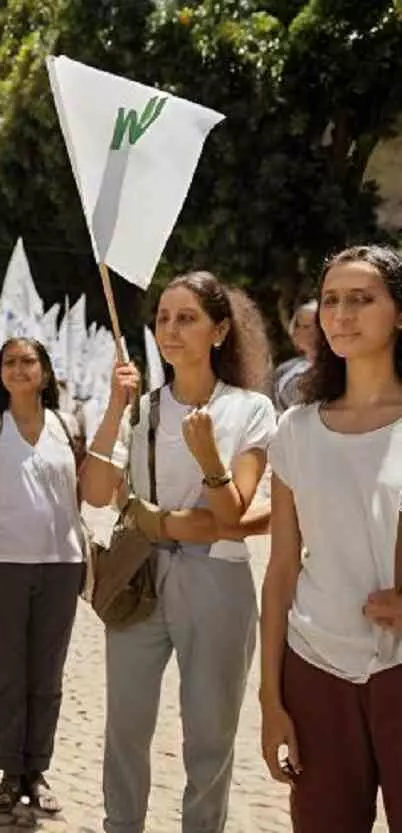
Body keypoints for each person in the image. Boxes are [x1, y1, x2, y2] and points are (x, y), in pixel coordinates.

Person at [81, 271, 277, 833]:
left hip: (218, 583)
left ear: (219, 331)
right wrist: (117, 409)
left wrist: (201, 470)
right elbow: (95, 493)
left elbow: (231, 516)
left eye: (187, 318)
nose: (171, 330)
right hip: (139, 578)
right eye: (164, 317)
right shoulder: (141, 409)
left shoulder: (250, 410)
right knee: (125, 725)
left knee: (210, 734)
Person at [260, 245, 402, 832]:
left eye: (361, 300)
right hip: (315, 669)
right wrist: (271, 700)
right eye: (332, 301)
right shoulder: (296, 430)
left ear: (399, 313)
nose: (341, 314)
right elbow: (281, 571)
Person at [0, 337, 86, 813]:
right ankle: (10, 772)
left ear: (45, 372)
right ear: (0, 373)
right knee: (7, 673)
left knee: (47, 675)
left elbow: (88, 489)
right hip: (0, 565)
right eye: (8, 362)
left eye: (28, 361)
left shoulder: (69, 427)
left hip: (62, 566)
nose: (18, 369)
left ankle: (39, 771)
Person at [273, 299, 318, 411]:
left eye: (306, 326)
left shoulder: (338, 369)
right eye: (298, 325)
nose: (297, 331)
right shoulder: (286, 369)